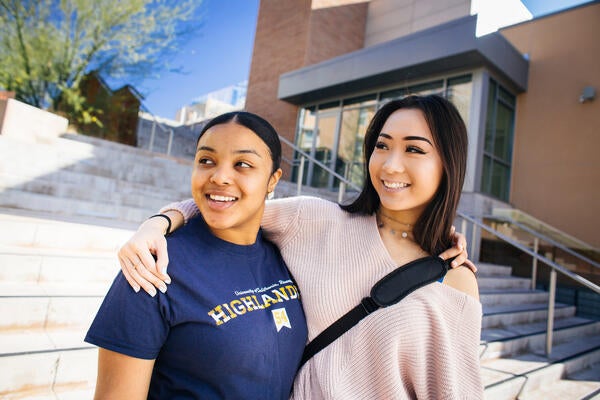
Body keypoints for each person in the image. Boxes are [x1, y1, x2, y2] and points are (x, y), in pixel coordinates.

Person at [119, 95, 483, 399]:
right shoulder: (314, 220)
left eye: (414, 150)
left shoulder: (454, 281)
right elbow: (228, 201)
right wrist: (159, 222)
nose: (390, 164)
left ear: (448, 164)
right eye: (382, 146)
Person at [85, 111, 308, 399]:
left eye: (242, 164)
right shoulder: (154, 266)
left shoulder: (286, 250)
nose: (219, 176)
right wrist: (157, 222)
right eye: (206, 161)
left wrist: (163, 219)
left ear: (272, 180)